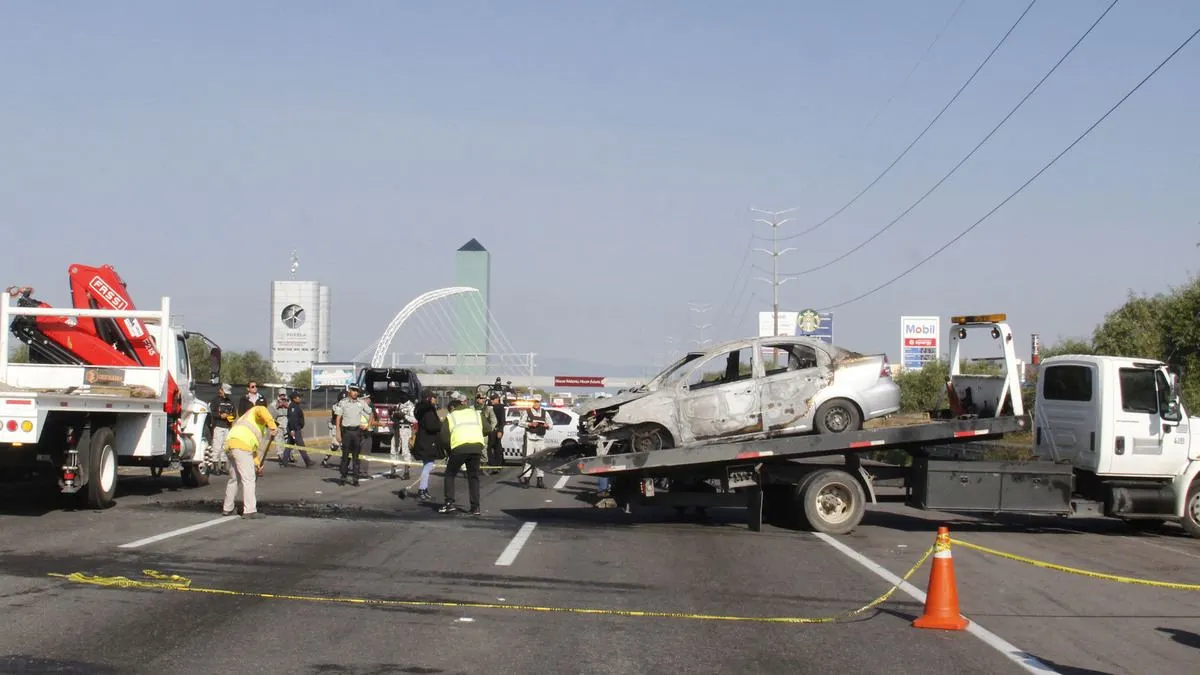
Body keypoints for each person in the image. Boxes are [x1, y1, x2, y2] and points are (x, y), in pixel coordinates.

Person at [221, 402, 278, 519]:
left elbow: (252, 452)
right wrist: (272, 426)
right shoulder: (258, 410)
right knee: (249, 479)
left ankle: (228, 508)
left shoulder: (247, 419)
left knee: (234, 478)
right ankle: (250, 510)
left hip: (231, 444)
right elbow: (262, 410)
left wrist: (257, 464)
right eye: (269, 420)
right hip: (241, 446)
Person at [439, 391, 484, 516]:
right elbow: (487, 429)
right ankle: (475, 507)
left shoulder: (451, 416)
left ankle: (449, 503)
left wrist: (449, 450)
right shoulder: (476, 414)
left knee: (450, 474)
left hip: (459, 447)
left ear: (453, 407)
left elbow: (443, 438)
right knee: (473, 477)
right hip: (476, 447)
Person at [335, 384, 373, 486]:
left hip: (357, 432)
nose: (355, 392)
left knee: (356, 457)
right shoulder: (343, 403)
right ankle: (343, 477)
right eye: (353, 390)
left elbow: (370, 412)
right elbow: (338, 418)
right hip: (346, 432)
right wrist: (337, 432)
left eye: (357, 391)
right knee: (345, 456)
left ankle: (355, 478)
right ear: (349, 391)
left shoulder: (361, 403)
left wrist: (368, 426)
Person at [409, 390, 442, 501]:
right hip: (427, 441)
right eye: (433, 397)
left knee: (427, 465)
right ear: (428, 398)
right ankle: (422, 489)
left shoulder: (421, 409)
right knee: (428, 465)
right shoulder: (428, 410)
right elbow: (431, 426)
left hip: (423, 440)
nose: (435, 399)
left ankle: (424, 488)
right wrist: (440, 425)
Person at [519, 398, 552, 488]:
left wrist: (547, 425)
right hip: (530, 438)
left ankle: (540, 480)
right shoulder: (527, 412)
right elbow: (520, 423)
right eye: (534, 402)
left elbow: (551, 425)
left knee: (541, 459)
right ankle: (526, 480)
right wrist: (530, 424)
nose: (536, 403)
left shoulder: (545, 413)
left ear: (540, 403)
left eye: (538, 402)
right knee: (529, 458)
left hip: (540, 438)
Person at [206, 383, 236, 475]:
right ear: (221, 390)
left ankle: (223, 467)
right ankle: (215, 467)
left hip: (227, 427)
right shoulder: (215, 401)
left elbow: (234, 413)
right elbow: (211, 413)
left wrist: (230, 416)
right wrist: (220, 415)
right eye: (225, 392)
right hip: (218, 426)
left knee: (225, 447)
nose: (226, 394)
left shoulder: (230, 401)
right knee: (217, 447)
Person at [388, 393, 416, 480]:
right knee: (393, 450)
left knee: (405, 451)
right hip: (397, 429)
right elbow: (393, 418)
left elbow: (414, 419)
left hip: (406, 429)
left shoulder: (411, 407)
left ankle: (406, 472)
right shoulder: (398, 405)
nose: (401, 398)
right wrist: (391, 413)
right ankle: (393, 471)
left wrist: (404, 415)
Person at [283, 390, 313, 467]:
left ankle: (284, 461)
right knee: (301, 445)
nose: (300, 398)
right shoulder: (293, 407)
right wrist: (293, 430)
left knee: (289, 445)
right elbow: (292, 420)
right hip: (295, 430)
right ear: (294, 398)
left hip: (294, 429)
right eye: (298, 397)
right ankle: (308, 462)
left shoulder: (295, 406)